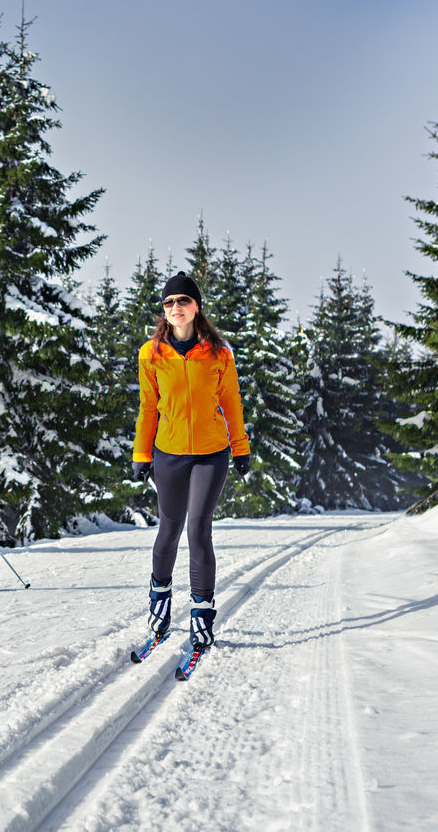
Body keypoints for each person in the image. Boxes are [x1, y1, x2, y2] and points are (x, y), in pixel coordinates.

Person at [132, 272, 250, 651]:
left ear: (197, 306)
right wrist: (141, 453)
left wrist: (241, 447)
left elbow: (231, 402)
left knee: (198, 529)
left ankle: (201, 613)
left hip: (212, 453)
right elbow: (148, 407)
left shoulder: (219, 352)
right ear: (163, 312)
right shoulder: (151, 353)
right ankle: (160, 599)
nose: (175, 308)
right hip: (169, 452)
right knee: (169, 528)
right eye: (168, 303)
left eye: (183, 301)